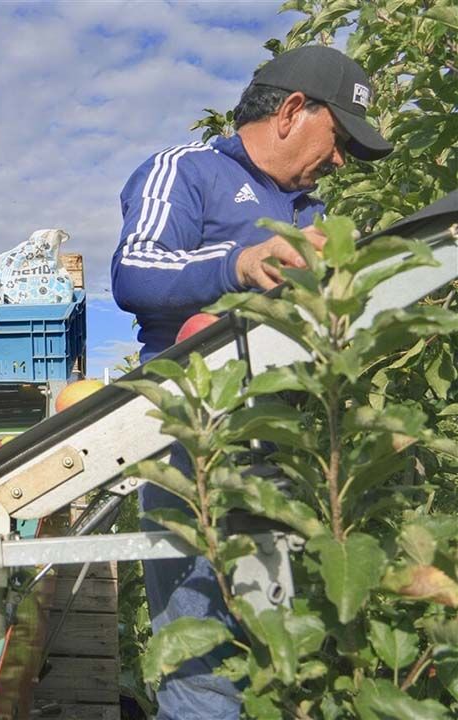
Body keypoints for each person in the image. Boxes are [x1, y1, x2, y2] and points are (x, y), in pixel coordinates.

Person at [110, 46, 391, 719]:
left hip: (289, 447)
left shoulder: (314, 214)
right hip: (197, 438)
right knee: (201, 653)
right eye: (341, 138)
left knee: (281, 649)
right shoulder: (187, 170)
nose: (342, 161)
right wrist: (240, 260)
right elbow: (135, 272)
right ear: (294, 111)